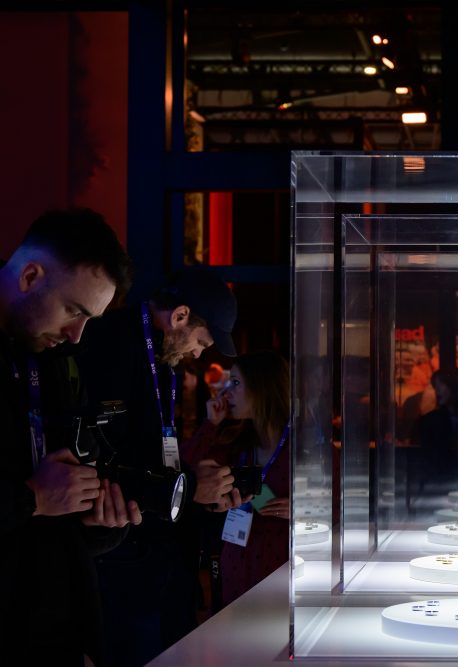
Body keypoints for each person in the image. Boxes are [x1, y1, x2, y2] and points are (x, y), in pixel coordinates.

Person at [75, 265, 238, 666]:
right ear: (180, 316)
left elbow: (149, 450)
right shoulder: (108, 341)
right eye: (201, 341)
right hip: (121, 553)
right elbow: (102, 459)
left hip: (159, 553)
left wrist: (192, 482)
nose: (199, 354)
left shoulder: (163, 356)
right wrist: (187, 485)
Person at [0, 208, 138, 665]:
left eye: (89, 319)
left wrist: (97, 522)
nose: (77, 335)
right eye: (75, 311)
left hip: (58, 630)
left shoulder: (54, 357)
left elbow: (60, 516)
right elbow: (36, 502)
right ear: (30, 277)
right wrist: (32, 499)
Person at [181, 350, 290, 607]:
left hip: (282, 569)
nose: (226, 393)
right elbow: (184, 470)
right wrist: (211, 424)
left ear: (262, 387)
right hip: (236, 565)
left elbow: (339, 509)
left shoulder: (306, 447)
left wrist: (305, 511)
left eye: (236, 383)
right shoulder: (235, 443)